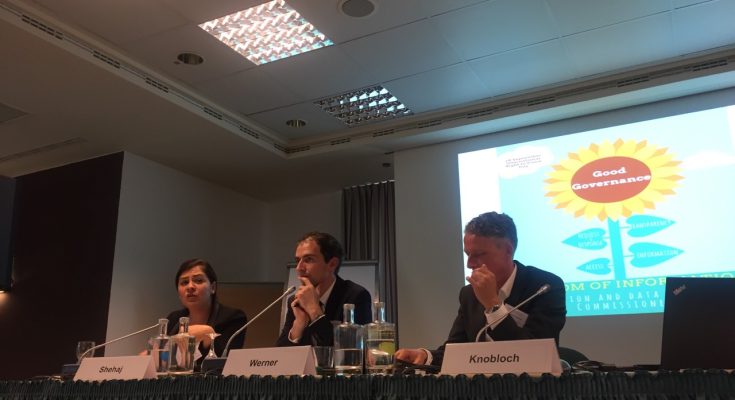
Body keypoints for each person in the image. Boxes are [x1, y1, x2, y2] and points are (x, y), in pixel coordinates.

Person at [396, 212, 566, 367]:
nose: (470, 264)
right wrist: (425, 356)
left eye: (478, 254)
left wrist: (493, 305)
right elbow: (457, 350)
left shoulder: (545, 287)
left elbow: (533, 355)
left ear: (508, 250)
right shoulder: (469, 294)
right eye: (467, 254)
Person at [277, 231, 372, 346]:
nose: (299, 268)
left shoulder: (356, 296)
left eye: (308, 259)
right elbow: (280, 354)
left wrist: (314, 310)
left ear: (332, 264)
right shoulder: (295, 300)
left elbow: (350, 348)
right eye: (298, 261)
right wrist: (298, 325)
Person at [166, 258, 247, 361]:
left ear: (213, 287)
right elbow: (164, 359)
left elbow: (227, 362)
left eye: (198, 280)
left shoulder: (233, 318)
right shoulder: (173, 319)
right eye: (184, 282)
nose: (190, 286)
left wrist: (208, 334)